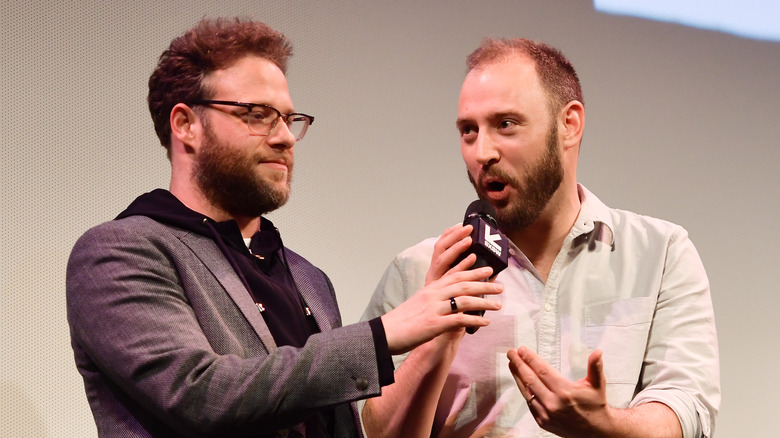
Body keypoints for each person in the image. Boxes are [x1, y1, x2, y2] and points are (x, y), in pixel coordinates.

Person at [66, 18, 504, 438]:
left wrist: (438, 328)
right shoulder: (120, 252)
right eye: (257, 114)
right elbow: (201, 395)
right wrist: (384, 334)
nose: (284, 138)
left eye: (288, 118)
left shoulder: (308, 279)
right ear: (186, 125)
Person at [361, 38, 720, 438]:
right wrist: (438, 338)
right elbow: (374, 433)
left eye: (505, 124)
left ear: (570, 125)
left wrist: (606, 426)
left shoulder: (660, 253)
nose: (482, 152)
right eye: (468, 130)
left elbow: (688, 409)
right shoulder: (417, 272)